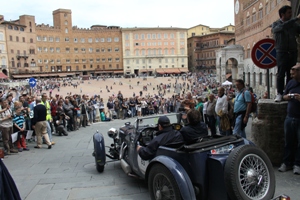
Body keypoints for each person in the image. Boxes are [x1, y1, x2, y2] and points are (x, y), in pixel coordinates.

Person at [272, 6, 300, 102]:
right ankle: (279, 93)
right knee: (280, 74)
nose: (291, 14)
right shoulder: (276, 24)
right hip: (281, 52)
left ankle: (288, 92)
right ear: (282, 14)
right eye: (289, 13)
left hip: (292, 52)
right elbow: (283, 27)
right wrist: (296, 19)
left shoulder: (293, 25)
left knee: (291, 74)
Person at [278, 64, 300, 175]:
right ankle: (286, 163)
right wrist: (289, 96)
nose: (291, 74)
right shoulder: (290, 83)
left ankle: (297, 164)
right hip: (289, 117)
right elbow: (284, 96)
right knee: (288, 142)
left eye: (293, 72)